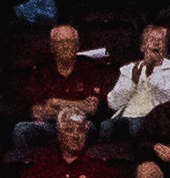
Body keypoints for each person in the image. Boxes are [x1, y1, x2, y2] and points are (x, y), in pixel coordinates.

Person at [16, 26, 115, 156]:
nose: (65, 46)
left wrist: (57, 103)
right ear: (52, 47)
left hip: (80, 125)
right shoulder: (42, 71)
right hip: (51, 126)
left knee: (90, 127)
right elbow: (37, 112)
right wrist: (78, 106)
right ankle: (29, 173)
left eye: (70, 42)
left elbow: (91, 108)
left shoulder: (91, 69)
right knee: (21, 129)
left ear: (77, 46)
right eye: (60, 42)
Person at [104, 25, 170, 133]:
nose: (156, 43)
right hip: (125, 117)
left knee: (136, 125)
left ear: (165, 48)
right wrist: (132, 83)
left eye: (160, 40)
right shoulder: (129, 69)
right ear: (143, 47)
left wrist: (151, 75)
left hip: (153, 120)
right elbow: (113, 103)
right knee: (106, 126)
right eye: (152, 40)